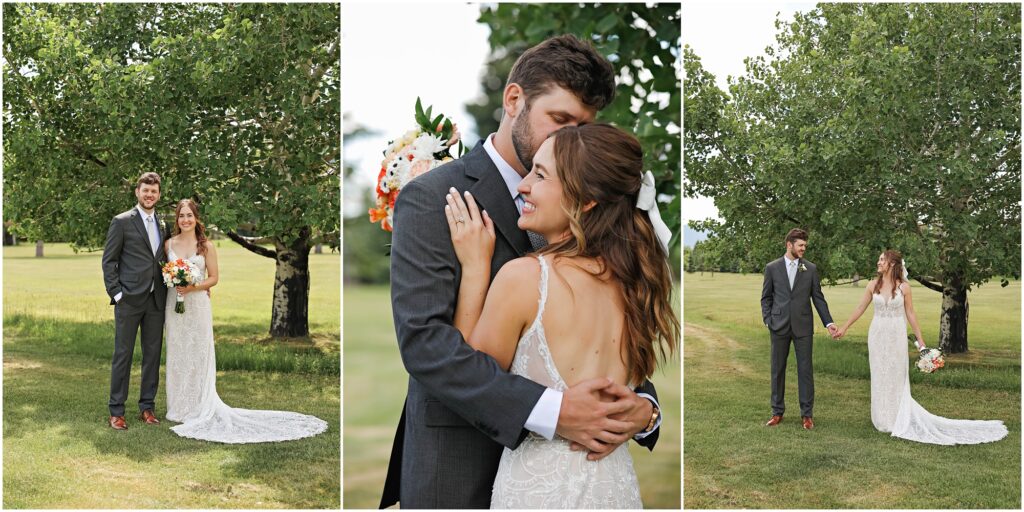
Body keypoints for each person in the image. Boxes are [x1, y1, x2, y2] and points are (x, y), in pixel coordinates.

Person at [382, 35, 664, 509]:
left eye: (582, 126)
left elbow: (610, 321)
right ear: (514, 99)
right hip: (458, 467)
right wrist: (556, 412)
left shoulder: (592, 210)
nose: (568, 139)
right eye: (559, 120)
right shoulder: (433, 196)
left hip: (580, 471)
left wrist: (643, 408)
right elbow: (426, 344)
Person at [444, 122, 678, 508]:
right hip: (614, 485)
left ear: (585, 199)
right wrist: (648, 413)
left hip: (539, 490)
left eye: (540, 175)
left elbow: (471, 377)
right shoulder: (636, 283)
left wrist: (474, 267)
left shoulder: (524, 278)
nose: (523, 186)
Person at [162, 198, 327, 443]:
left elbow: (214, 278)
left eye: (189, 215)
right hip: (174, 306)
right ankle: (178, 407)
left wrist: (194, 286)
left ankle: (198, 405)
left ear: (196, 218)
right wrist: (177, 283)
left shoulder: (206, 246)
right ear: (176, 219)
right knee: (178, 353)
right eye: (181, 216)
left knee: (198, 352)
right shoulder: (168, 244)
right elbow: (166, 272)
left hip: (197, 305)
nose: (185, 220)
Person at [834, 250, 1007, 444]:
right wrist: (844, 328)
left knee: (896, 375)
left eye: (882, 259)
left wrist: (921, 342)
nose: (878, 262)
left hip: (896, 336)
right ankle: (881, 419)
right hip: (877, 335)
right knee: (880, 374)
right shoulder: (872, 285)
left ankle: (896, 419)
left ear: (892, 264)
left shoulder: (905, 288)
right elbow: (860, 308)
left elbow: (910, 314)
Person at [102, 172, 169, 430]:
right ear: (137, 192)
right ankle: (116, 411)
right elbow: (109, 261)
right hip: (129, 299)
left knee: (152, 355)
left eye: (153, 191)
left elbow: (162, 258)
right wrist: (117, 294)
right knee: (123, 354)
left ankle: (147, 408)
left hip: (156, 299)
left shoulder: (163, 223)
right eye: (145, 190)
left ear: (158, 194)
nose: (149, 195)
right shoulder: (121, 222)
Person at [760, 228, 837, 430]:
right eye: (800, 245)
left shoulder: (810, 269)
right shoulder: (772, 268)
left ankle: (807, 415)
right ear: (789, 245)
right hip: (778, 326)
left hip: (803, 326)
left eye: (805, 246)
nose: (803, 249)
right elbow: (766, 297)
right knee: (777, 370)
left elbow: (818, 298)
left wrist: (829, 322)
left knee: (805, 371)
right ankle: (777, 412)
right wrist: (768, 320)